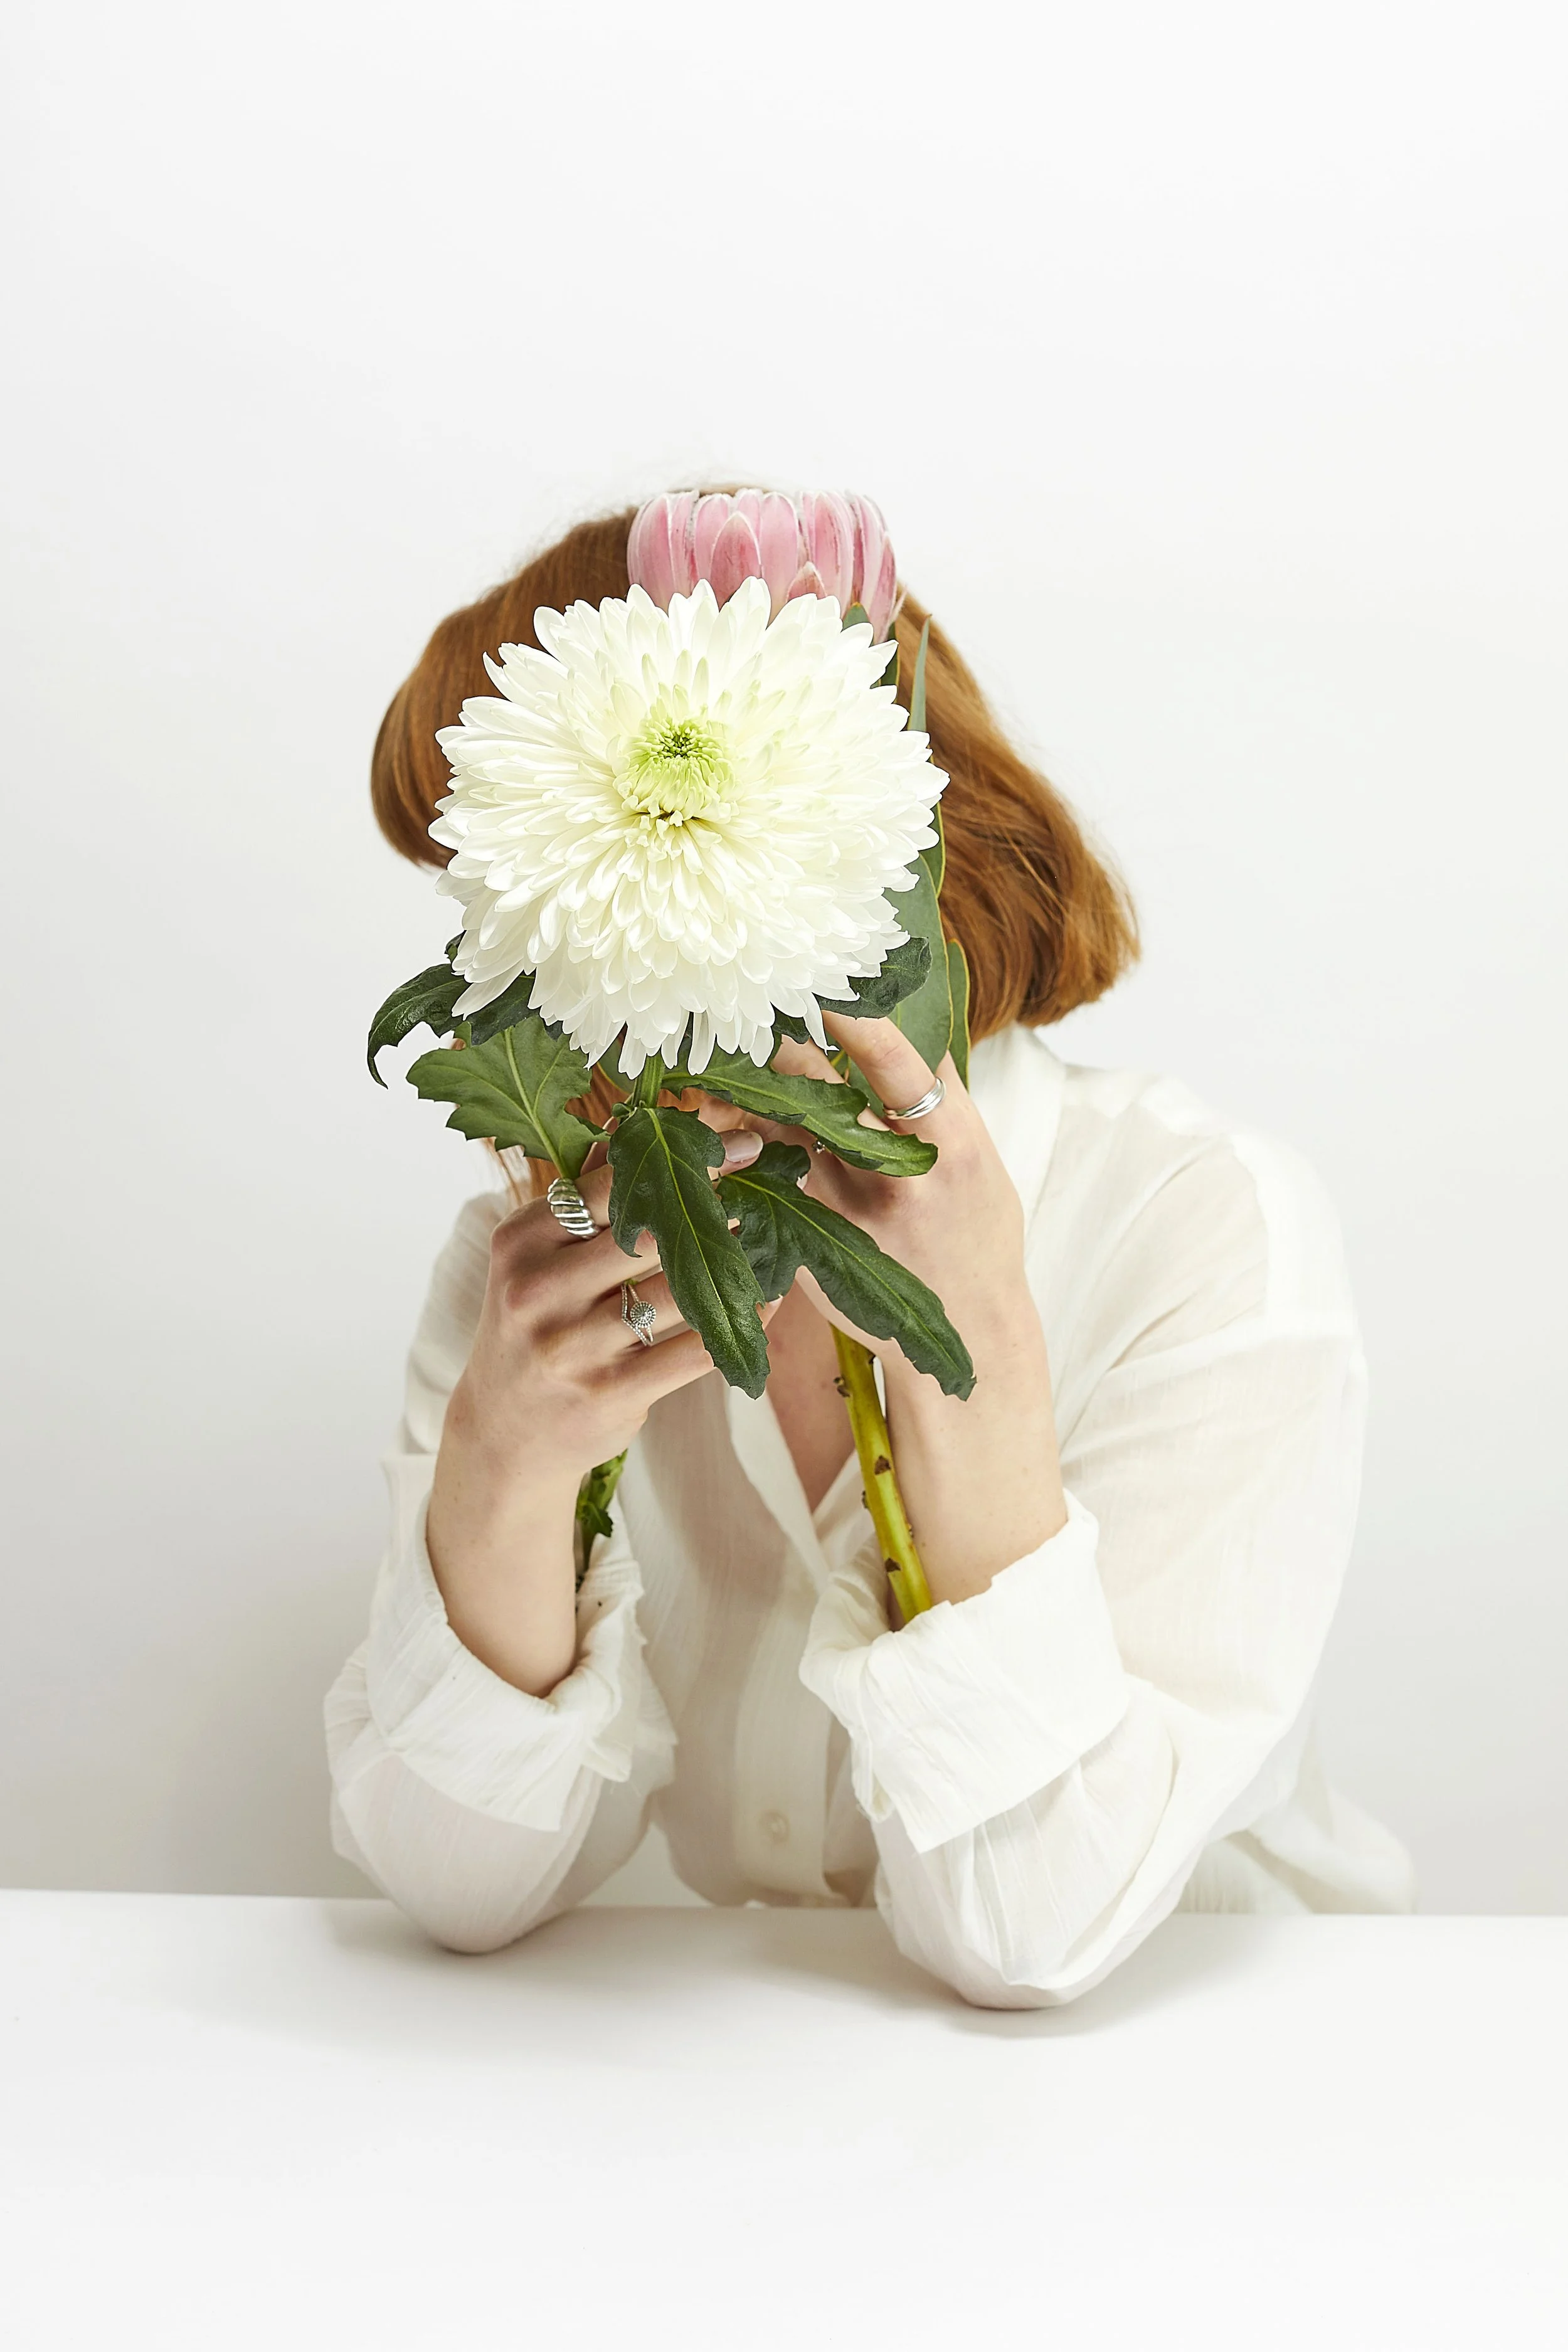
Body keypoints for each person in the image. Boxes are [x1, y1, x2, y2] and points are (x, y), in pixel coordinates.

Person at [326, 504, 1415, 2008]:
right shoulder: (536, 1258)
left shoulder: (1198, 1226)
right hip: (801, 2124)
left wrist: (972, 1351)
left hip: (1248, 2083)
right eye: (487, 897)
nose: (505, 969)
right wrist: (506, 1469)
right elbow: (457, 1891)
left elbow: (1035, 1934)